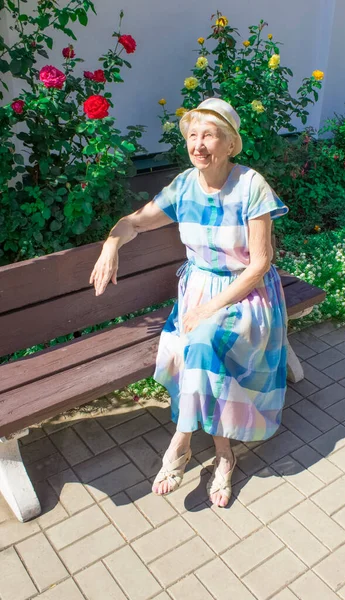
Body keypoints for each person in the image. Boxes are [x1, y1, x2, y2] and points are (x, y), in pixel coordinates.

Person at [90, 98, 289, 508]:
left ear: (230, 144)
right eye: (193, 136)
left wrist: (209, 310)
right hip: (198, 291)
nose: (199, 145)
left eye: (210, 136)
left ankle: (181, 441)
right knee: (199, 347)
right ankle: (223, 454)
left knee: (199, 343)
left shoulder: (252, 186)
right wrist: (112, 242)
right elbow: (135, 221)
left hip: (246, 295)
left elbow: (260, 264)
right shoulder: (183, 186)